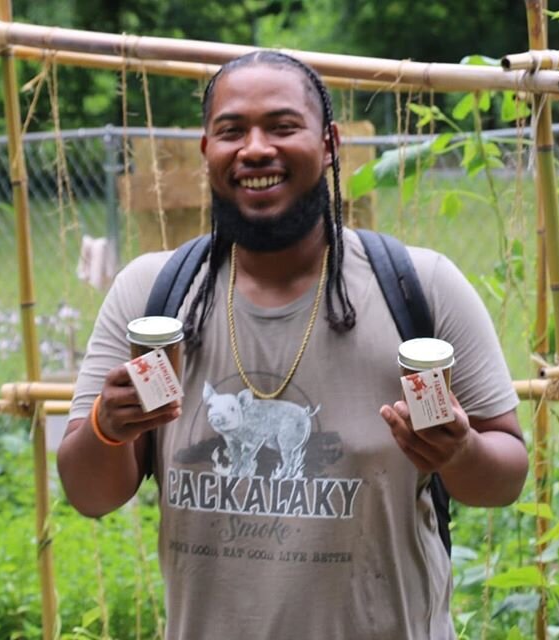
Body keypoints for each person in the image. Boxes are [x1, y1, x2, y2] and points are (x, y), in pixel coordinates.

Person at [58, 50, 528, 639]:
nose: (255, 148)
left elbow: (507, 477)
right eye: (231, 131)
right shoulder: (151, 295)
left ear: (329, 143)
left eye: (282, 126)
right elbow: (88, 494)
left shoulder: (420, 288)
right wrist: (109, 426)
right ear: (208, 151)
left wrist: (459, 455)